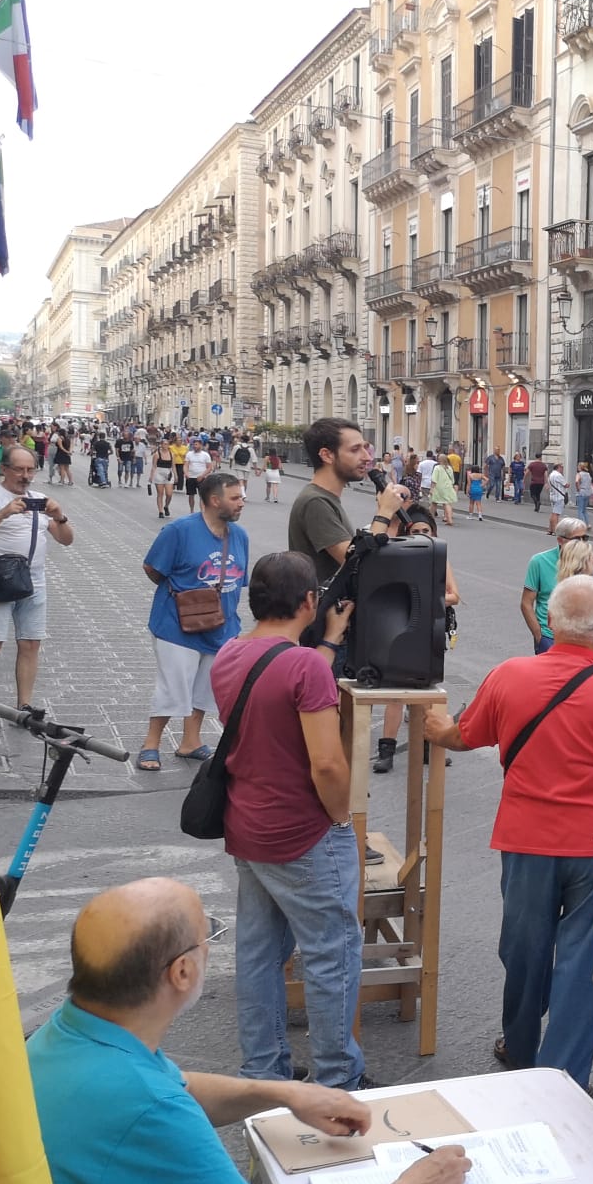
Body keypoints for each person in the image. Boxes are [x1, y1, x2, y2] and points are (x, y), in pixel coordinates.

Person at [26, 877, 471, 1184]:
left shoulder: (67, 1036)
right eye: (209, 935)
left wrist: (282, 1093)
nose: (211, 947)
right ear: (182, 971)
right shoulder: (143, 1106)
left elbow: (177, 1085)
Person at [426, 576, 593, 1086]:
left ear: (550, 621)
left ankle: (520, 1044)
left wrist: (437, 728)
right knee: (582, 958)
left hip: (527, 838)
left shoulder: (510, 675)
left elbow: (466, 735)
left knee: (524, 949)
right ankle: (563, 1076)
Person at [207, 552, 367, 1088]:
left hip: (246, 825)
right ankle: (337, 1078)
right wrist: (340, 817)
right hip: (302, 831)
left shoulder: (230, 654)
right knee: (332, 954)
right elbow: (327, 764)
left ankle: (263, 1068)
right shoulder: (305, 668)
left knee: (258, 953)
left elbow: (278, 682)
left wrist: (330, 641)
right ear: (308, 601)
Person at [137, 472, 249, 772]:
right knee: (173, 686)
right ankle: (150, 743)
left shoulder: (240, 536)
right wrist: (183, 593)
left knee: (206, 687)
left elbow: (239, 580)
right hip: (177, 624)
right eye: (235, 498)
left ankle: (190, 741)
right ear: (214, 501)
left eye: (241, 497)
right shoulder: (179, 530)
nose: (241, 503)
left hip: (222, 625)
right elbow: (152, 568)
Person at [0, 445, 76, 739]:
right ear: (4, 469)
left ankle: (23, 707)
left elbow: (66, 540)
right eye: (19, 469)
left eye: (30, 470)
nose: (25, 476)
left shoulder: (38, 499)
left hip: (33, 581)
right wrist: (1, 515)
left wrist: (60, 515)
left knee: (30, 644)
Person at [287, 418, 405, 587]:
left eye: (365, 448)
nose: (367, 457)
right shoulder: (315, 501)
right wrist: (384, 512)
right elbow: (361, 564)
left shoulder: (326, 498)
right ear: (327, 455)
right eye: (355, 450)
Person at [520, 518, 591, 654]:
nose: (582, 544)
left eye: (585, 538)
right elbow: (526, 603)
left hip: (581, 639)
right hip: (549, 637)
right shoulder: (539, 561)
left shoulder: (589, 563)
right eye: (577, 539)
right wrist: (539, 636)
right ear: (560, 540)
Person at [182, 438, 213, 513]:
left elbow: (209, 467)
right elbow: (186, 465)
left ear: (201, 445)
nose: (195, 446)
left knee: (202, 496)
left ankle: (202, 511)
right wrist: (186, 473)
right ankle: (191, 511)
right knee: (191, 495)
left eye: (196, 444)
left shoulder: (205, 455)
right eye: (194, 444)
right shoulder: (189, 454)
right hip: (191, 477)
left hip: (201, 478)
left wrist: (202, 476)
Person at [429, 454, 456, 525]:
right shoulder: (449, 468)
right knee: (447, 503)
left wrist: (432, 488)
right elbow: (452, 480)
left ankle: (430, 519)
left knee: (434, 503)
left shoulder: (437, 468)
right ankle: (449, 519)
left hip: (439, 487)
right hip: (448, 487)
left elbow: (434, 479)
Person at [573, 461, 593, 526]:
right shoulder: (588, 474)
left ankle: (582, 524)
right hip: (587, 493)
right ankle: (587, 524)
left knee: (580, 510)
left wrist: (578, 488)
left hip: (581, 492)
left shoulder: (579, 474)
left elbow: (576, 481)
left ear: (580, 467)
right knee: (584, 510)